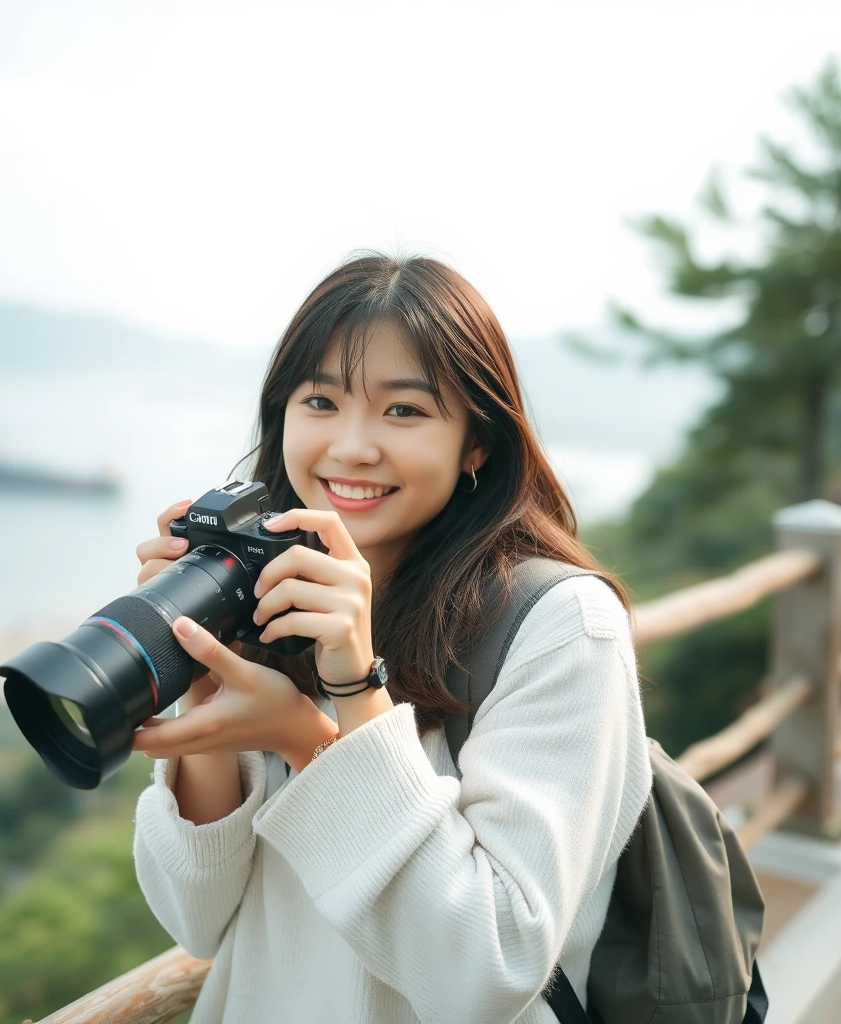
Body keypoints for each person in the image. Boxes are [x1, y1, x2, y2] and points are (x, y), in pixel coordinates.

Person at [131, 252, 653, 1024]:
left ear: (477, 442)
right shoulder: (268, 598)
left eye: (403, 410)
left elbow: (486, 972)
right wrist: (202, 693)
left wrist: (317, 729)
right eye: (320, 401)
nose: (351, 446)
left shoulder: (561, 630)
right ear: (282, 418)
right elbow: (196, 918)